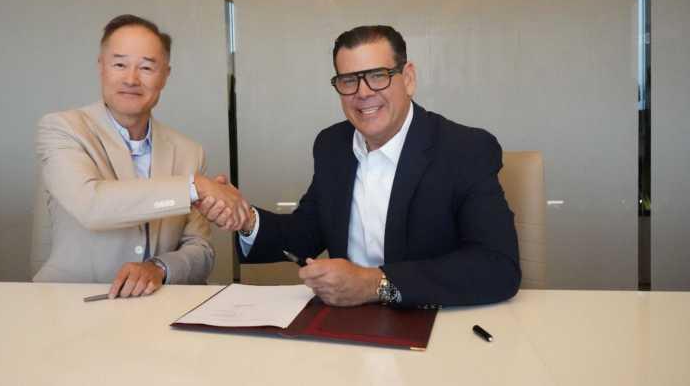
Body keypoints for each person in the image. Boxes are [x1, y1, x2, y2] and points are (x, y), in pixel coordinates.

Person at [197, 25, 520, 308]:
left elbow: (496, 266)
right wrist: (246, 218)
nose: (363, 93)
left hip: (436, 325)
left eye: (378, 76)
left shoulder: (465, 149)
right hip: (347, 327)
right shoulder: (332, 145)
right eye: (349, 80)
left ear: (408, 78)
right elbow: (303, 235)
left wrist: (374, 284)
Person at [33, 14, 248, 299]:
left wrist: (158, 268)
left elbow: (201, 252)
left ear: (165, 75)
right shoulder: (62, 129)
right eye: (119, 64)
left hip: (157, 310)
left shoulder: (189, 152)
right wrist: (194, 187)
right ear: (101, 67)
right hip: (70, 305)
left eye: (146, 67)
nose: (131, 79)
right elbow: (91, 205)